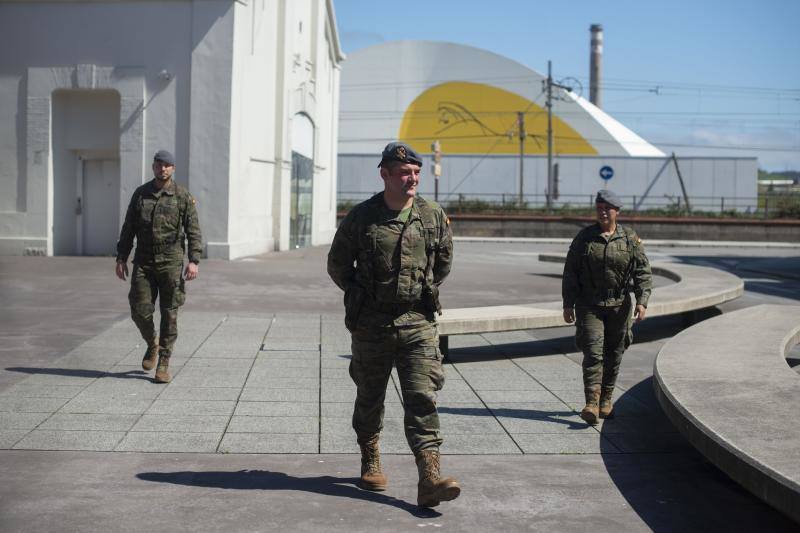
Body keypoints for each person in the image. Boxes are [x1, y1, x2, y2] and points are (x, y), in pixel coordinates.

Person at [327, 141, 460, 508]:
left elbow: (444, 264)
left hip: (417, 321)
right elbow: (338, 265)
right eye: (404, 173)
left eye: (416, 172)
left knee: (422, 397)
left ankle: (429, 478)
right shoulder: (361, 217)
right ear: (385, 174)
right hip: (372, 324)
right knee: (370, 396)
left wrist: (419, 290)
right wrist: (361, 295)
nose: (412, 178)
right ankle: (370, 456)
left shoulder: (432, 215)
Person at [561, 189, 652, 425]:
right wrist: (567, 304)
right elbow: (570, 271)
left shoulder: (630, 239)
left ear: (616, 211)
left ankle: (606, 400)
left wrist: (642, 301)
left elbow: (643, 272)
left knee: (615, 353)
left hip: (619, 306)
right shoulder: (584, 238)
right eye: (598, 208)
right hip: (589, 304)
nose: (602, 212)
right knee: (593, 351)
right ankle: (591, 402)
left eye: (607, 208)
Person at [115, 150, 202, 383]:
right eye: (158, 165)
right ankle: (151, 343)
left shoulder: (182, 196)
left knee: (169, 313)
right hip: (143, 261)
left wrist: (194, 260)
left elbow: (193, 230)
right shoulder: (141, 194)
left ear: (173, 169)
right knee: (139, 309)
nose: (162, 168)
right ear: (153, 167)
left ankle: (164, 360)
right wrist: (121, 256)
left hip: (171, 261)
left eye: (167, 165)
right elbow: (128, 227)